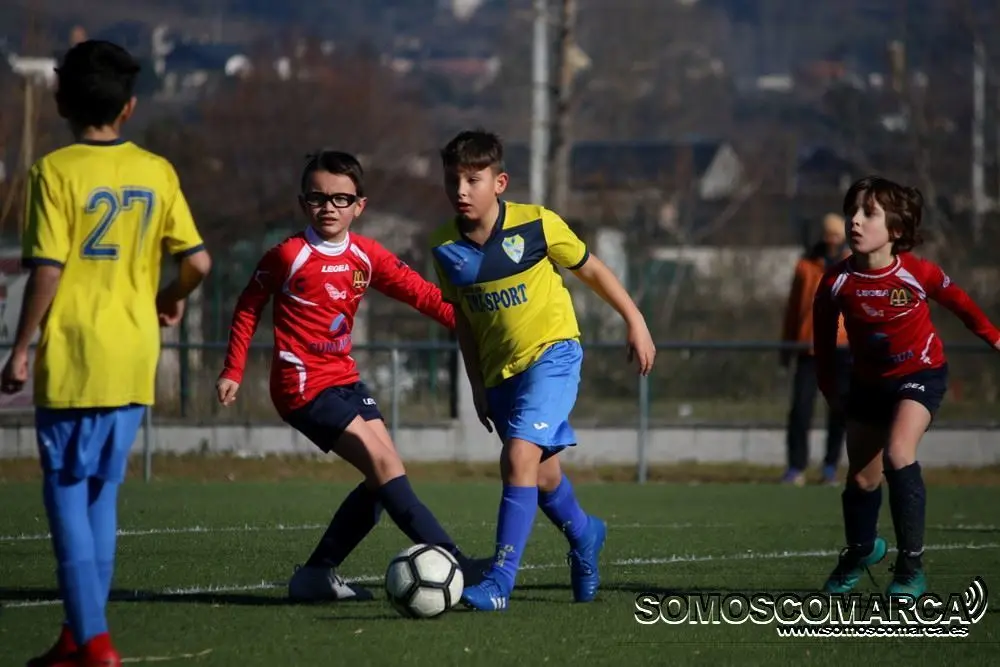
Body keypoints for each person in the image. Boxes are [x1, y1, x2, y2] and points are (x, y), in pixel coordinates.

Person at [0, 40, 212, 667]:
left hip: (76, 351)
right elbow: (199, 262)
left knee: (66, 490)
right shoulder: (156, 170)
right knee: (101, 493)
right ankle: (78, 636)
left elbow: (47, 270)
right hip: (135, 349)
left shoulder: (53, 172)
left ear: (60, 101)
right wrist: (170, 297)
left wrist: (19, 347)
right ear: (129, 108)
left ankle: (95, 643)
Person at [216, 149, 487, 602]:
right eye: (318, 197)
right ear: (303, 203)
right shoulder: (288, 255)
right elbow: (248, 304)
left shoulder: (366, 254)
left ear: (359, 205)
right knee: (385, 468)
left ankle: (316, 575)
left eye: (340, 199)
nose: (329, 207)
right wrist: (233, 369)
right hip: (301, 386)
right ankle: (457, 562)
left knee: (385, 479)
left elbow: (422, 294)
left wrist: (476, 326)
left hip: (344, 379)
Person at [430, 129, 656, 611]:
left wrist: (635, 320)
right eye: (453, 180)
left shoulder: (538, 224)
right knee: (543, 475)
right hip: (500, 374)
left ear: (500, 183)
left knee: (517, 457)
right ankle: (585, 535)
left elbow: (592, 269)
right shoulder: (443, 246)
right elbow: (463, 321)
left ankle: (500, 582)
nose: (461, 191)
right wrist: (476, 384)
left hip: (553, 355)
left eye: (473, 180)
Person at [813, 176, 1000, 599]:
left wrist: (994, 336)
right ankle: (862, 550)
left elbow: (961, 304)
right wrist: (830, 389)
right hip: (868, 384)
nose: (855, 221)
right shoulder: (835, 282)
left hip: (921, 373)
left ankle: (910, 569)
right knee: (862, 481)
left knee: (899, 453)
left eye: (869, 214)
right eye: (852, 211)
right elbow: (822, 344)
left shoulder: (917, 273)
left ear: (896, 230)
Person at [780, 213, 851, 486]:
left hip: (842, 348)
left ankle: (830, 466)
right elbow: (793, 308)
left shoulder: (853, 266)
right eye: (828, 234)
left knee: (839, 410)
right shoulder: (806, 266)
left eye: (836, 234)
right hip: (809, 347)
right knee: (800, 409)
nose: (832, 239)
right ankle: (796, 466)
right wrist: (787, 344)